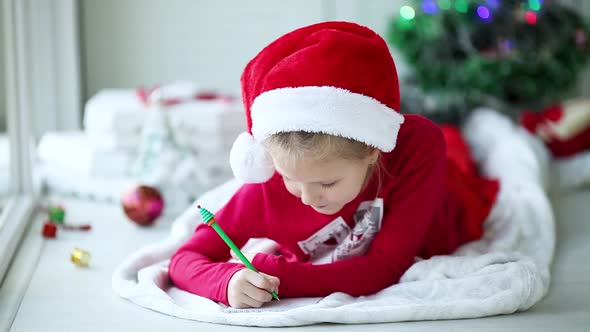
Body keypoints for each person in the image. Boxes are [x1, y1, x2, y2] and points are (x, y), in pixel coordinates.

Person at [168, 21, 499, 309]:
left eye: (327, 183)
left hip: (448, 196)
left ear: (372, 151)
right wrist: (227, 282)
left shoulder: (415, 148)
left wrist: (285, 278)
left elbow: (384, 267)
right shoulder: (265, 191)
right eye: (290, 179)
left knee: (460, 144)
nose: (308, 197)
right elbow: (184, 260)